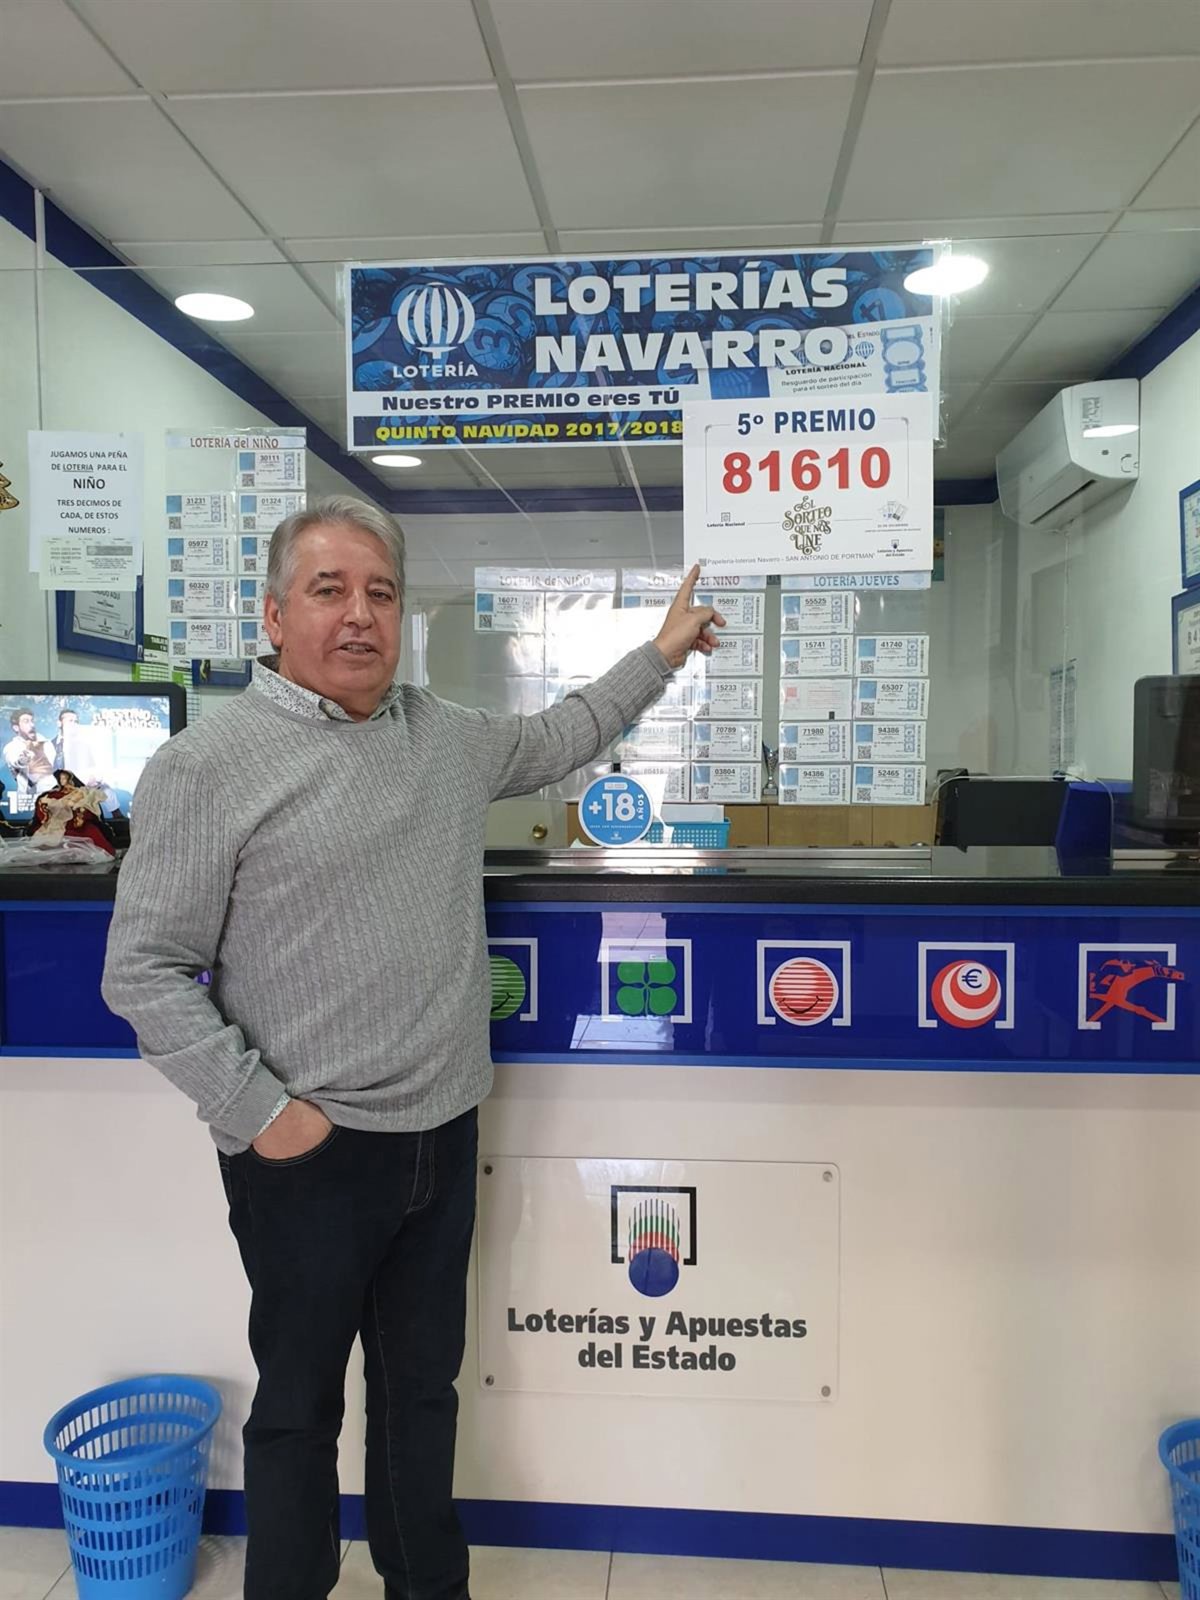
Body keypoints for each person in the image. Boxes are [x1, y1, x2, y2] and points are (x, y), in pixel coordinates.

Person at [101, 496, 723, 1600]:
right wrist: (264, 1115)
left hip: (442, 1134)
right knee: (299, 1410)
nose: (359, 615)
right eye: (329, 590)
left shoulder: (441, 737)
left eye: (380, 592)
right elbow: (142, 971)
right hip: (308, 1152)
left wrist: (663, 653)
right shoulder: (209, 765)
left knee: (421, 1397)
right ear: (274, 616)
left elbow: (561, 734)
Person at [4, 708, 56, 800]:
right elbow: (14, 760)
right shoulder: (12, 747)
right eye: (26, 721)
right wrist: (22, 760)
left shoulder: (47, 744)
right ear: (16, 728)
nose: (32, 725)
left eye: (32, 721)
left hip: (51, 798)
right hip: (27, 801)